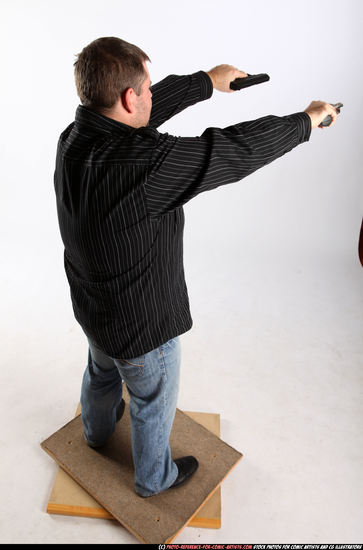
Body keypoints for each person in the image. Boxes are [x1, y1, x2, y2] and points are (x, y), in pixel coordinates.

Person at [54, 36, 338, 498]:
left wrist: (206, 82)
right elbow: (233, 150)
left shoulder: (75, 138)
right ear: (129, 97)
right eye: (145, 87)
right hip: (143, 329)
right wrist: (305, 121)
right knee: (150, 401)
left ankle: (95, 432)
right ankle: (154, 478)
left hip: (93, 306)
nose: (150, 92)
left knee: (101, 372)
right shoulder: (146, 165)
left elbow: (137, 113)